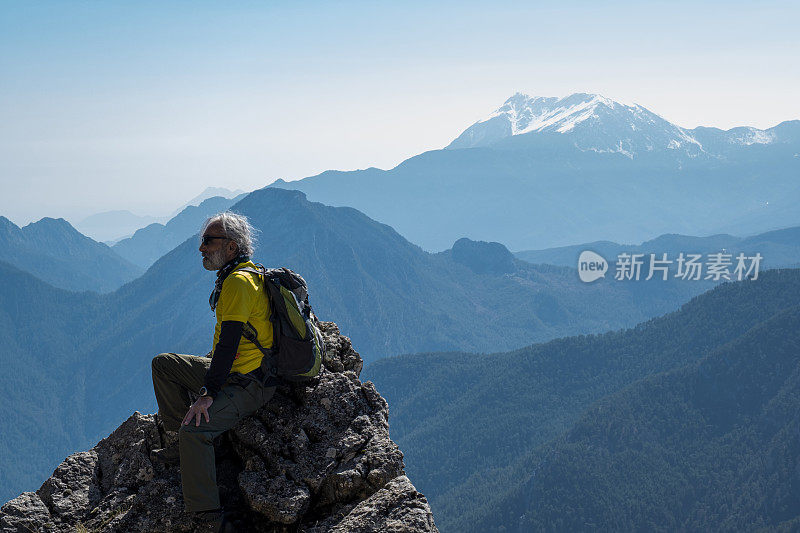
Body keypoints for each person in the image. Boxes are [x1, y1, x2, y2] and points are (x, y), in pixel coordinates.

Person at [150, 211, 276, 531]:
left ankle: (209, 518)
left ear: (231, 247)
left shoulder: (238, 282)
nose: (201, 248)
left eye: (208, 241)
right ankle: (184, 451)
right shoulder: (239, 274)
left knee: (196, 429)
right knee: (164, 364)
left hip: (249, 382)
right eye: (202, 240)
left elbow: (229, 344)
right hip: (236, 369)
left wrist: (207, 394)